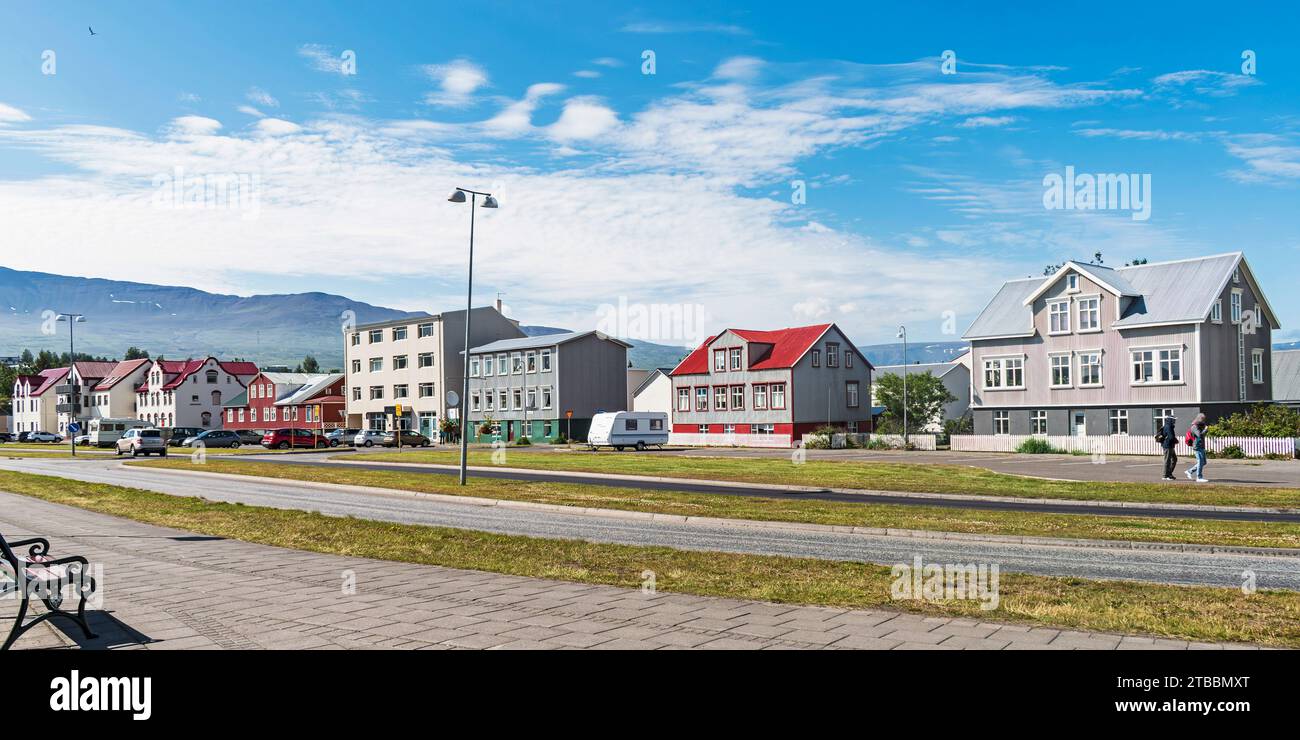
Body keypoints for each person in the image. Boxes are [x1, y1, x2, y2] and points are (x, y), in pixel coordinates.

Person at [1185, 413, 1208, 483]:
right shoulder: (1194, 426)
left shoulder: (1200, 426)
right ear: (1199, 418)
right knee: (1200, 461)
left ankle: (1189, 471)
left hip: (1201, 446)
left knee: (1203, 462)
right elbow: (1199, 435)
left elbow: (1201, 435)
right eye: (1203, 419)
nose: (1204, 421)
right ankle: (1199, 477)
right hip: (1197, 446)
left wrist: (1204, 429)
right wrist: (1205, 430)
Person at [1160, 413, 1178, 480]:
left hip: (1170, 446)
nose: (1174, 421)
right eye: (1173, 420)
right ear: (1170, 420)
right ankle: (1165, 475)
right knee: (1167, 461)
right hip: (1168, 446)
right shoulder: (1168, 426)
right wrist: (1175, 440)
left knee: (1174, 459)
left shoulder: (1169, 426)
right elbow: (1171, 437)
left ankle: (1169, 474)